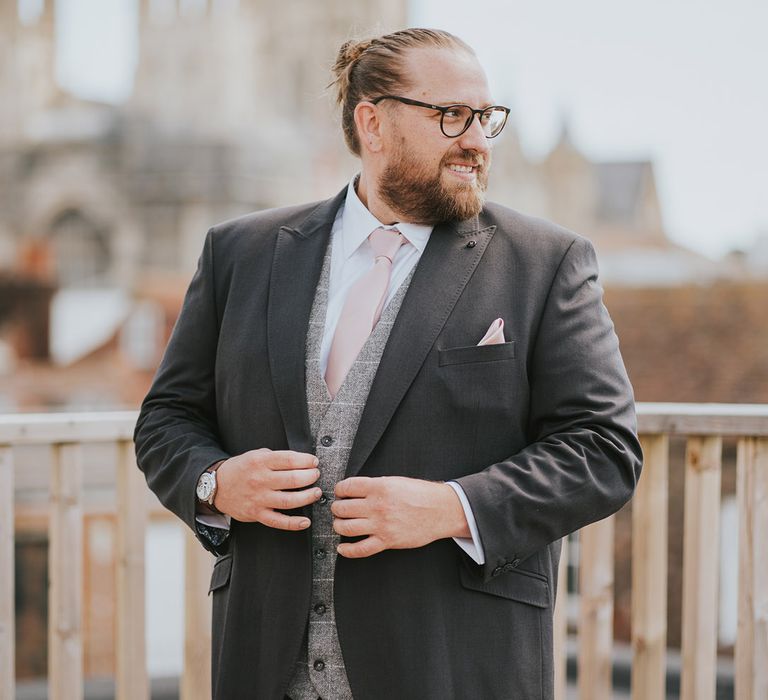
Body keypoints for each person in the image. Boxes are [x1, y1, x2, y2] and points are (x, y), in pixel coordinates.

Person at [134, 28, 642, 700]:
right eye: (451, 116)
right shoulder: (241, 254)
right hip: (262, 667)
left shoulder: (545, 264)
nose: (477, 142)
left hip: (454, 668)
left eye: (487, 119)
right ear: (372, 123)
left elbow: (603, 451)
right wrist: (215, 484)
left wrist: (451, 508)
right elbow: (166, 420)